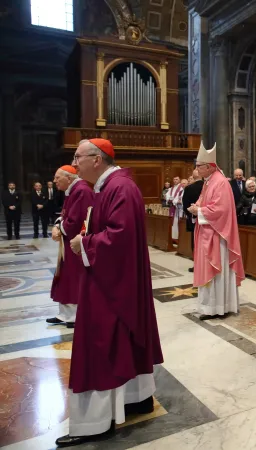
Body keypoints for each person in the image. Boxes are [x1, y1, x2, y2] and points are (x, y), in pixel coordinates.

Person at [59, 138, 163, 447]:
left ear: (97, 159)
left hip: (111, 283)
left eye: (78, 157)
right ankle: (135, 397)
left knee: (101, 344)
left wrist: (84, 244)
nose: (74, 164)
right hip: (109, 279)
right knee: (118, 342)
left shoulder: (120, 188)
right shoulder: (107, 187)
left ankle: (94, 421)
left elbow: (119, 238)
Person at [188, 143, 245, 320]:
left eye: (199, 166)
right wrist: (196, 206)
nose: (196, 169)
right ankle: (209, 306)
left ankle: (218, 307)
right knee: (208, 271)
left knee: (217, 272)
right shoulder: (208, 182)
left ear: (209, 166)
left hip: (218, 236)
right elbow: (203, 201)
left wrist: (199, 211)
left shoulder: (220, 182)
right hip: (208, 232)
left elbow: (221, 210)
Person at [48, 165, 94, 328]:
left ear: (69, 178)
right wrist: (57, 225)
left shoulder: (81, 190)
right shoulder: (73, 190)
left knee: (73, 277)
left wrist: (59, 229)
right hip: (67, 241)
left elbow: (77, 221)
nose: (54, 181)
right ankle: (64, 314)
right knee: (66, 275)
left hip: (75, 242)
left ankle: (74, 316)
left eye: (57, 177)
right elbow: (65, 214)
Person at [182, 169, 204, 273]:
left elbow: (185, 206)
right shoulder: (207, 186)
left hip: (193, 219)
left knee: (194, 242)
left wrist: (191, 216)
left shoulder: (188, 188)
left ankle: (196, 265)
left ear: (193, 177)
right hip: (206, 219)